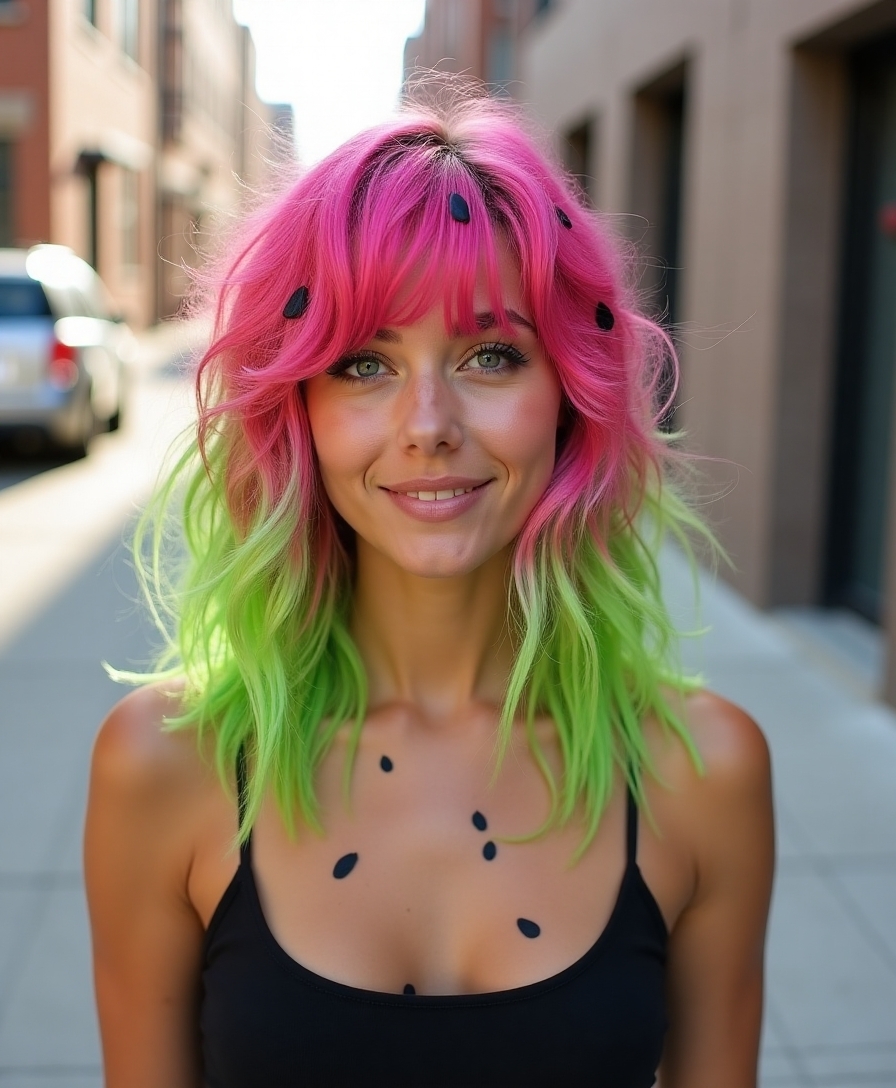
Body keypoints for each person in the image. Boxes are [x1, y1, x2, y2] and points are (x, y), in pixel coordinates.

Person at [84, 90, 774, 1088]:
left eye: (491, 354)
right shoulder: (163, 765)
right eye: (364, 362)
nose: (426, 422)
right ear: (299, 409)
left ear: (570, 397)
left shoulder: (702, 771)